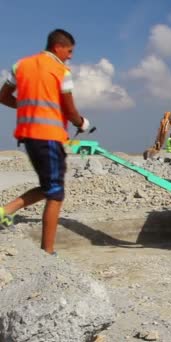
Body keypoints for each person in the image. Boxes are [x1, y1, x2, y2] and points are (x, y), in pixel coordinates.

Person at [0, 29, 92, 255]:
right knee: (56, 193)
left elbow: (3, 96)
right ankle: (48, 252)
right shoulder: (61, 71)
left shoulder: (20, 65)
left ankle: (5, 211)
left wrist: (25, 107)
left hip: (28, 135)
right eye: (69, 51)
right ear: (58, 47)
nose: (70, 56)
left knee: (48, 186)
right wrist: (82, 123)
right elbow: (70, 111)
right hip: (49, 137)